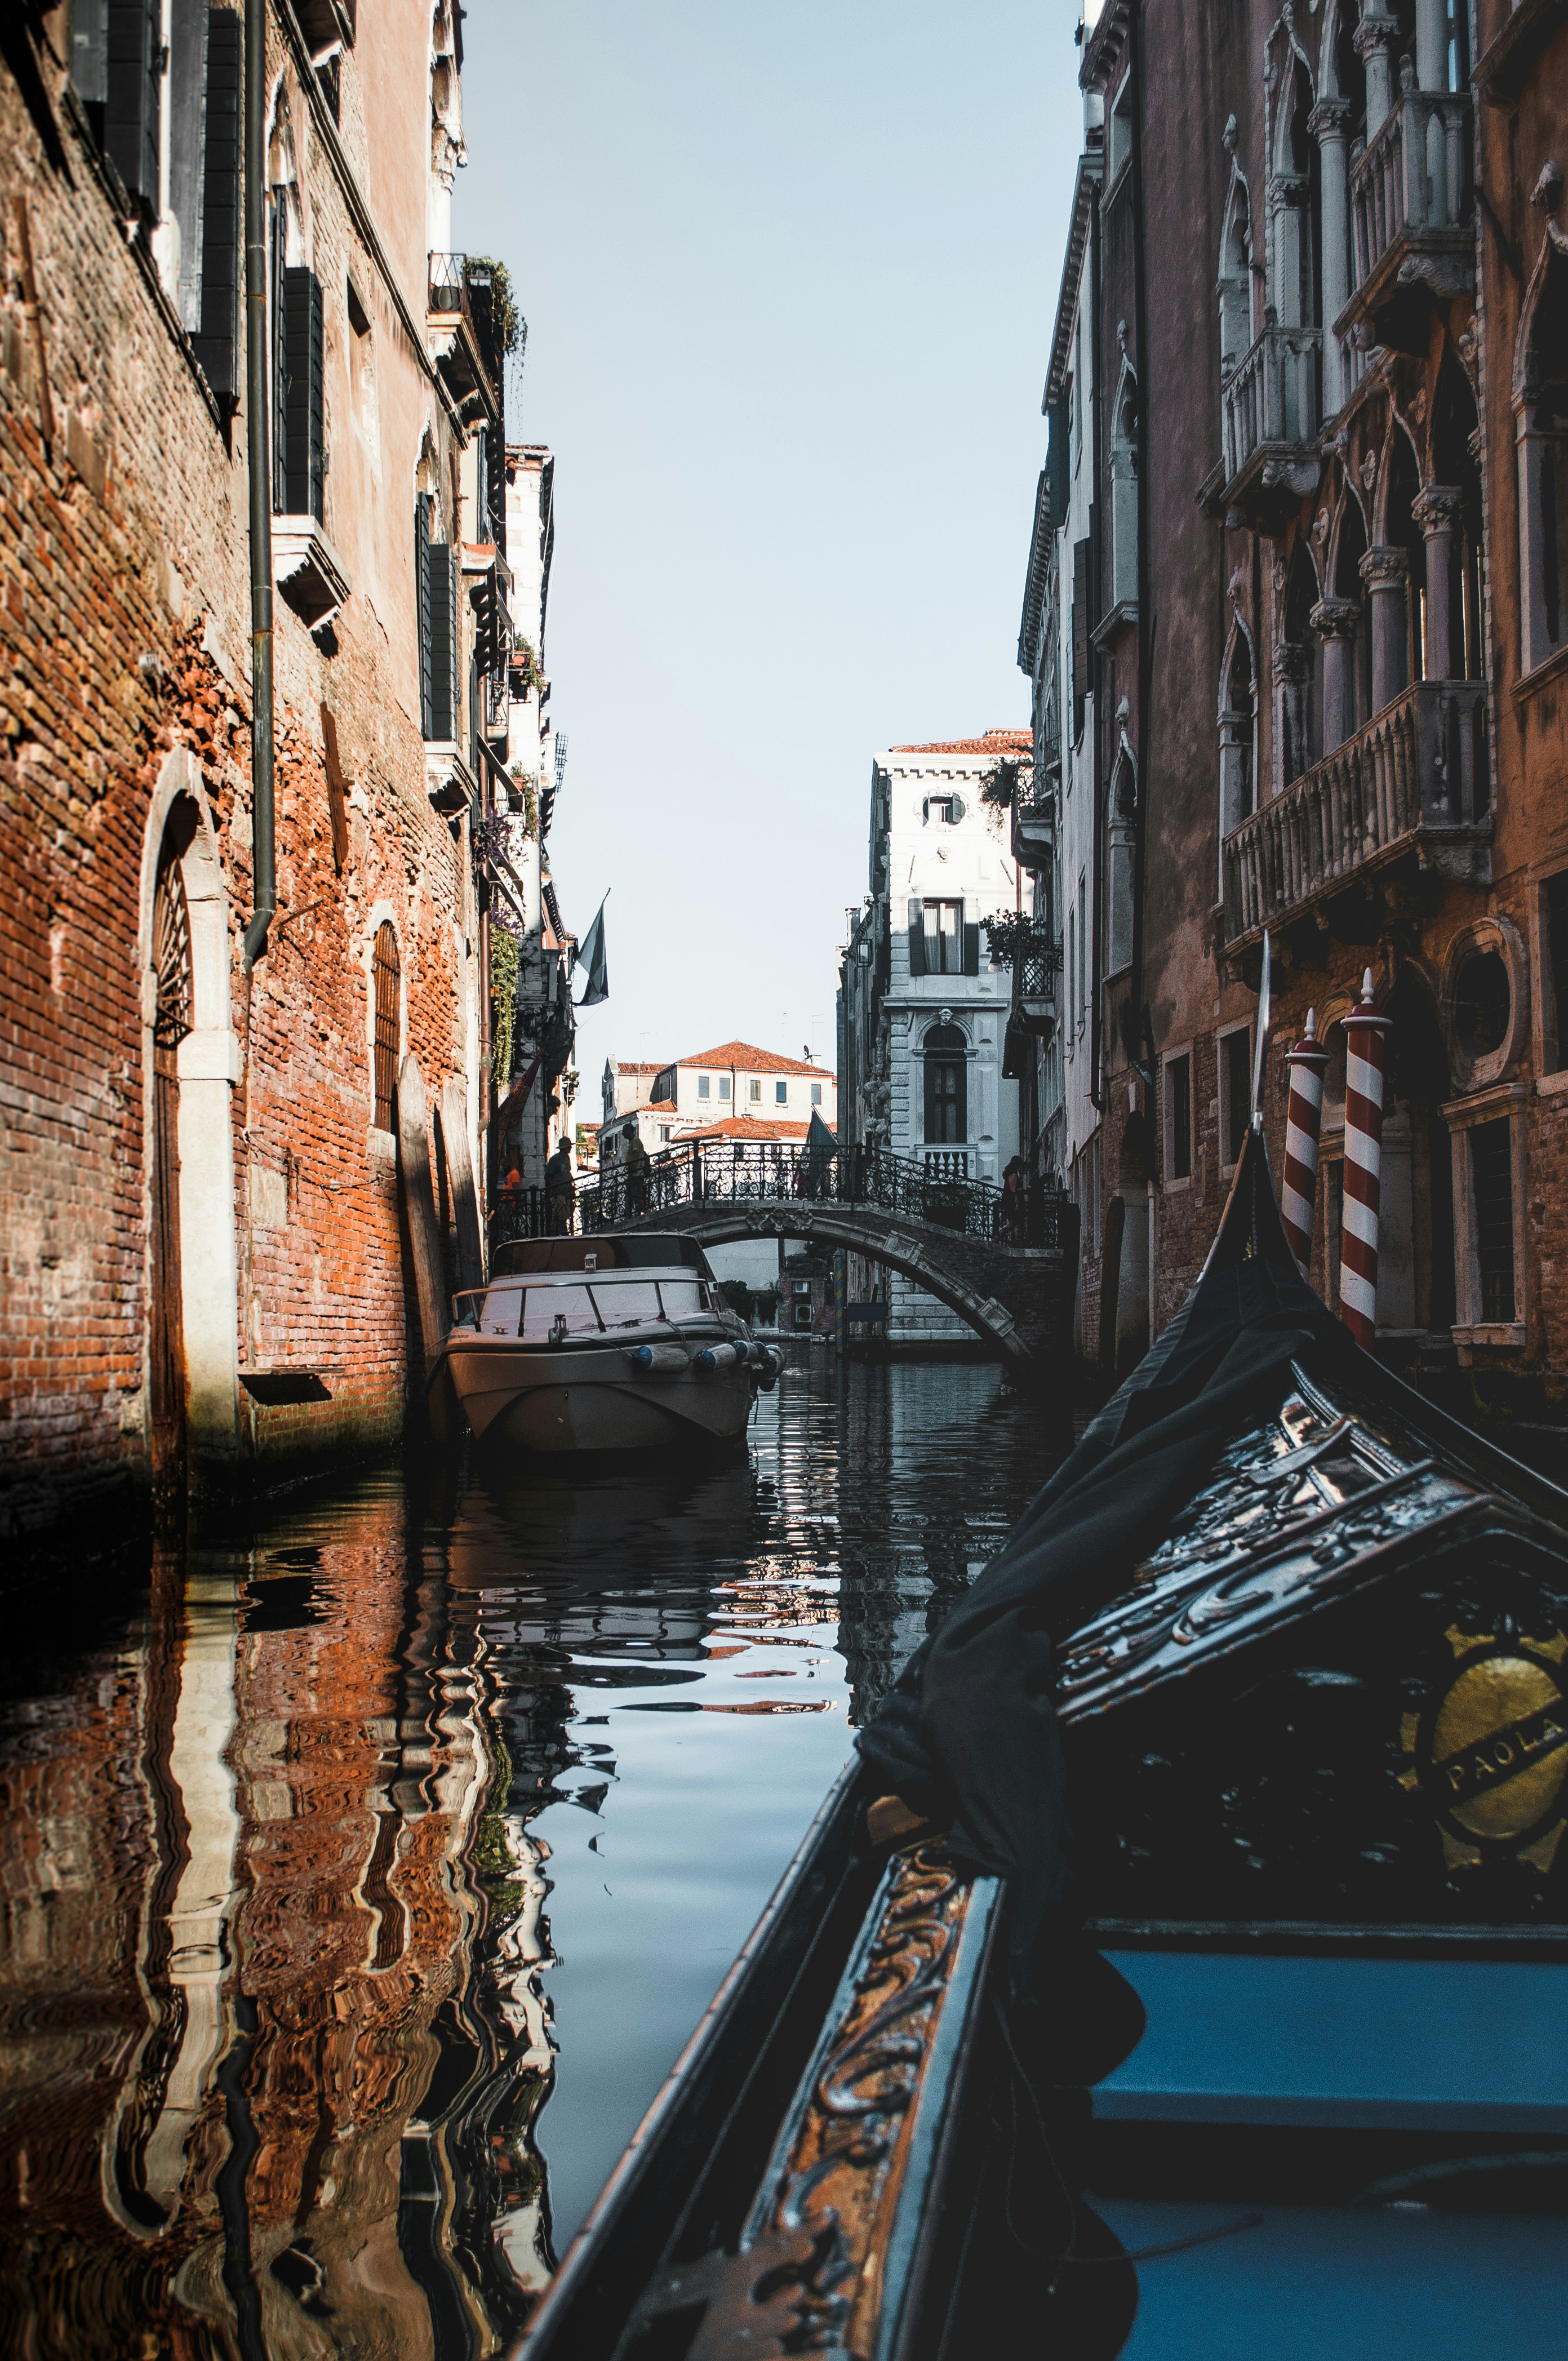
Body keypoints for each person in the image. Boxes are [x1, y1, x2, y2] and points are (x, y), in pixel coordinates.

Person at [545, 1138, 575, 1235]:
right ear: (565, 1148)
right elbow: (548, 1176)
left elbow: (568, 1172)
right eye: (569, 1147)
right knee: (559, 1214)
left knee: (566, 1213)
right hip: (558, 1193)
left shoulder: (567, 1158)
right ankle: (560, 1232)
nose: (571, 1148)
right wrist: (555, 1187)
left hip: (567, 1191)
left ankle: (564, 1231)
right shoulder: (554, 1160)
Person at [623, 1126, 648, 1218]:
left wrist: (633, 1167)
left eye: (624, 1131)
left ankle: (644, 1210)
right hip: (634, 1173)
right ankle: (630, 1215)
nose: (623, 1134)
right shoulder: (633, 1142)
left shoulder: (635, 1141)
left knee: (635, 1195)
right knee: (630, 1195)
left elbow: (636, 1154)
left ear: (630, 1131)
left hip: (637, 1173)